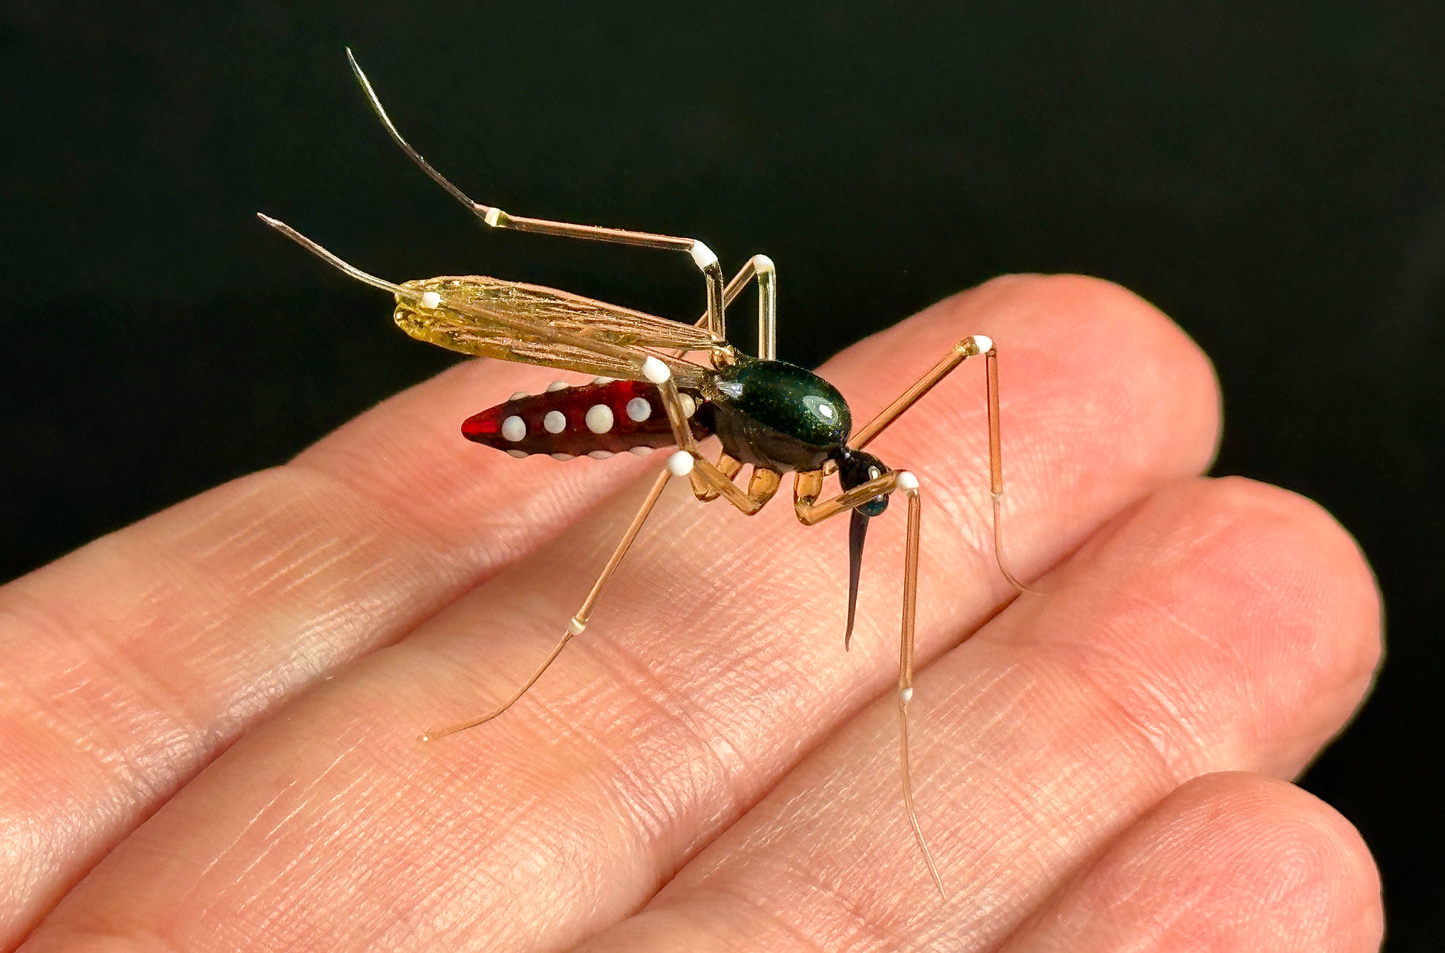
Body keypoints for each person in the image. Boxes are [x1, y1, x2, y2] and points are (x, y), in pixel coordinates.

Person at [1, 277, 1382, 951]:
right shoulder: (771, 452)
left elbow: (899, 437)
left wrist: (996, 571)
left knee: (778, 379)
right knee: (676, 436)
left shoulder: (848, 455)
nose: (864, 502)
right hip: (649, 410)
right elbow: (720, 448)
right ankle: (475, 241)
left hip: (716, 409)